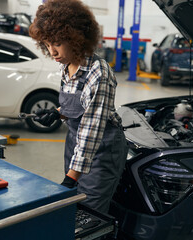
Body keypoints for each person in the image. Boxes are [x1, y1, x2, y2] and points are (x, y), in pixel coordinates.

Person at [29, 0, 128, 214]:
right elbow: (77, 106)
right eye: (47, 44)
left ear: (76, 37)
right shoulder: (68, 67)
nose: (52, 51)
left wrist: (70, 178)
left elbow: (91, 130)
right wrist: (57, 114)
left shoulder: (98, 73)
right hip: (76, 145)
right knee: (75, 204)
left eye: (56, 43)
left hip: (102, 149)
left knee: (90, 210)